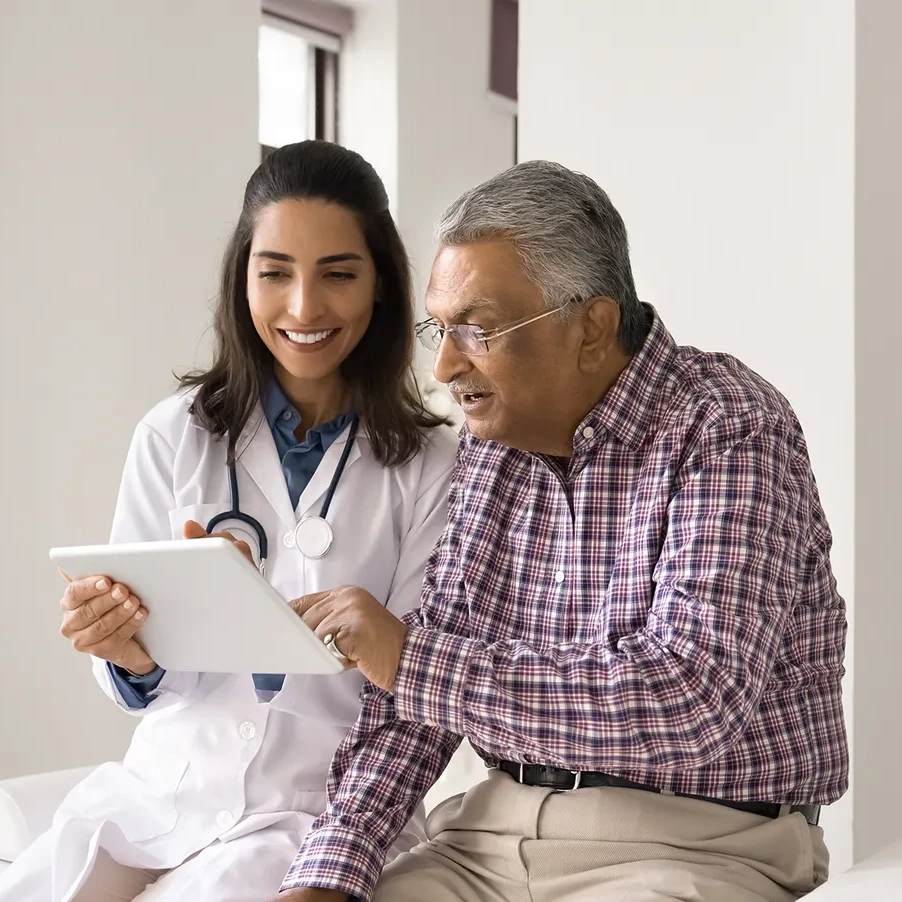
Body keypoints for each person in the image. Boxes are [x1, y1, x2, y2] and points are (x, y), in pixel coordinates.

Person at [275, 161, 848, 902]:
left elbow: (694, 700)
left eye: (478, 331)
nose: (447, 365)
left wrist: (414, 662)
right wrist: (328, 874)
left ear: (592, 326)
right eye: (440, 331)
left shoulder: (731, 428)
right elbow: (415, 706)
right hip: (491, 834)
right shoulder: (491, 446)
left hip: (695, 843)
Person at [0, 140, 458, 902]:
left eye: (338, 274)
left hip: (317, 807)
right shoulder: (175, 434)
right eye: (275, 272)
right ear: (242, 277)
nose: (304, 308)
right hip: (164, 786)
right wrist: (123, 648)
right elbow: (138, 672)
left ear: (381, 285)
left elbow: (409, 688)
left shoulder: (432, 464)